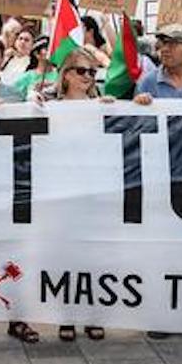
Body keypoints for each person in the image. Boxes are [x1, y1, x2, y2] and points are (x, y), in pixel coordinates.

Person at [53, 46, 106, 343]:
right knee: (67, 255)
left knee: (94, 255)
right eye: (82, 71)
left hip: (94, 192)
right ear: (67, 74)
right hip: (63, 192)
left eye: (93, 72)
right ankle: (67, 316)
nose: (88, 77)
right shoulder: (50, 104)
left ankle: (94, 315)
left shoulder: (103, 104)